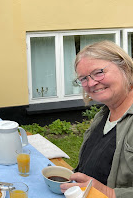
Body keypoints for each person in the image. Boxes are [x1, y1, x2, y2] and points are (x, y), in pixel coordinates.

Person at [60, 40, 133, 198]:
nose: (91, 83)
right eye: (84, 78)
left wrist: (109, 193)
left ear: (125, 68)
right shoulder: (104, 114)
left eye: (98, 72)